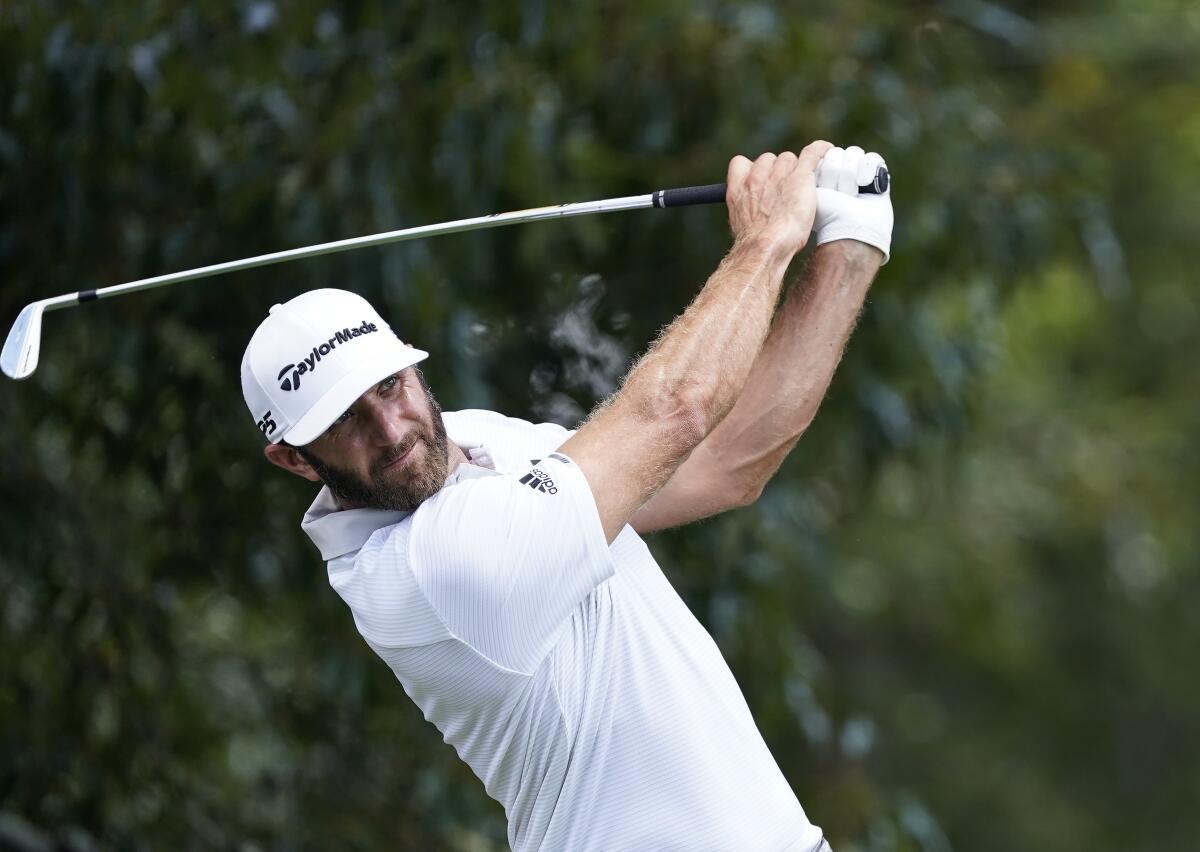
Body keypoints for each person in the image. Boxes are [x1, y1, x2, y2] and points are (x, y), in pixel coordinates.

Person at [240, 142, 893, 852]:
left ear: (410, 365)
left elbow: (727, 465)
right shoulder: (423, 570)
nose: (391, 429)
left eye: (390, 387)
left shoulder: (484, 441)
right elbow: (675, 410)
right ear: (293, 460)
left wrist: (850, 244)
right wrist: (769, 239)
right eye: (346, 423)